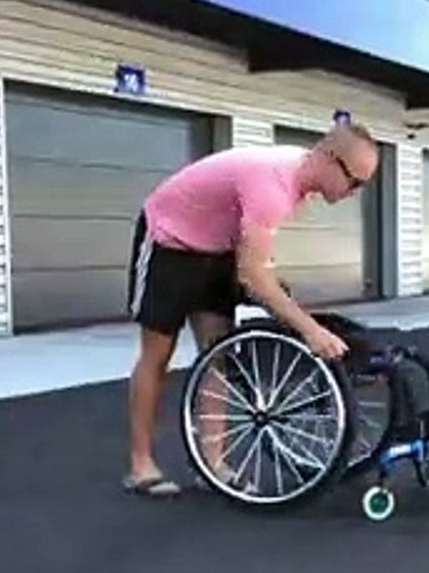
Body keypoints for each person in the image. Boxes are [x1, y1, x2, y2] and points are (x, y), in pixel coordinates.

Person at [123, 123, 380, 498]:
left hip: (217, 249)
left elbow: (255, 259)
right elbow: (253, 275)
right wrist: (309, 329)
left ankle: (213, 466)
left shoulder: (300, 184)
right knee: (157, 355)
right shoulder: (273, 184)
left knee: (220, 357)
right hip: (169, 240)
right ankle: (141, 465)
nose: (354, 192)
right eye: (354, 181)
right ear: (329, 158)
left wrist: (277, 297)